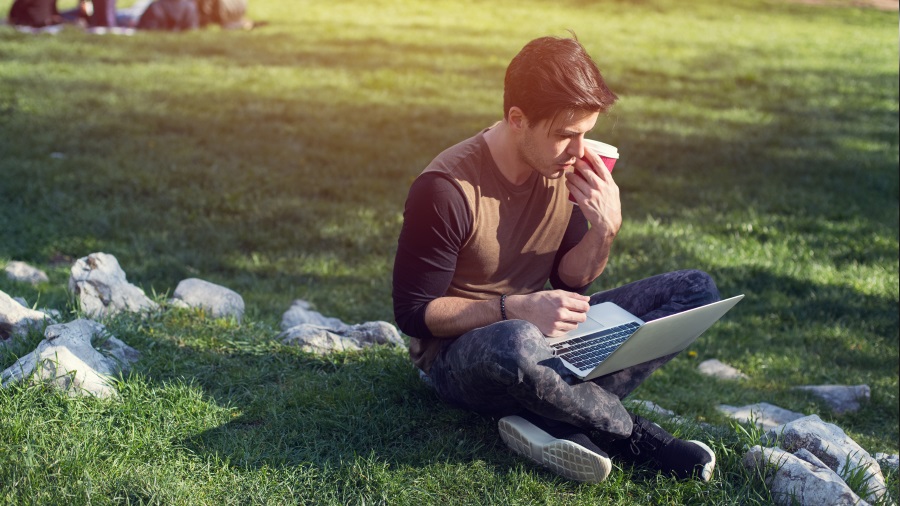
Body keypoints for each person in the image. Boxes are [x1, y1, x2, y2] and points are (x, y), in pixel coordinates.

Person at [392, 35, 721, 484]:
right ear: (518, 119)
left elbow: (571, 278)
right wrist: (513, 308)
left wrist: (605, 229)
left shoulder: (560, 168)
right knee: (518, 341)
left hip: (545, 339)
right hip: (464, 357)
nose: (579, 150)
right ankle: (629, 436)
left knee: (695, 290)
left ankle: (549, 414)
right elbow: (414, 315)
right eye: (566, 135)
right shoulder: (444, 189)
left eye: (585, 132)